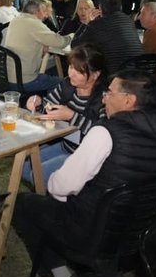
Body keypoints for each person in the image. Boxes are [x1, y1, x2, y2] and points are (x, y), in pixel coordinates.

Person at [12, 70, 156, 277]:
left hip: (92, 233)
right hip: (141, 232)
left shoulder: (106, 133)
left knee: (23, 205)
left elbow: (60, 186)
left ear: (128, 101)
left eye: (109, 93)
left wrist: (59, 192)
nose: (103, 98)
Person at [23, 44, 107, 184]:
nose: (71, 73)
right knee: (26, 168)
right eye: (70, 67)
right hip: (66, 144)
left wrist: (71, 116)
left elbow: (103, 134)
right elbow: (47, 106)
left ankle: (58, 199)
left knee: (37, 175)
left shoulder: (104, 98)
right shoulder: (67, 85)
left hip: (84, 156)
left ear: (95, 75)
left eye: (78, 71)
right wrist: (37, 103)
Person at [3, 0, 71, 94]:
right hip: (25, 80)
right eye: (46, 12)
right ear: (37, 11)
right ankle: (48, 107)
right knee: (61, 83)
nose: (47, 16)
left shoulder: (16, 20)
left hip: (9, 77)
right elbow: (60, 42)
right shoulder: (33, 23)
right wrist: (72, 36)